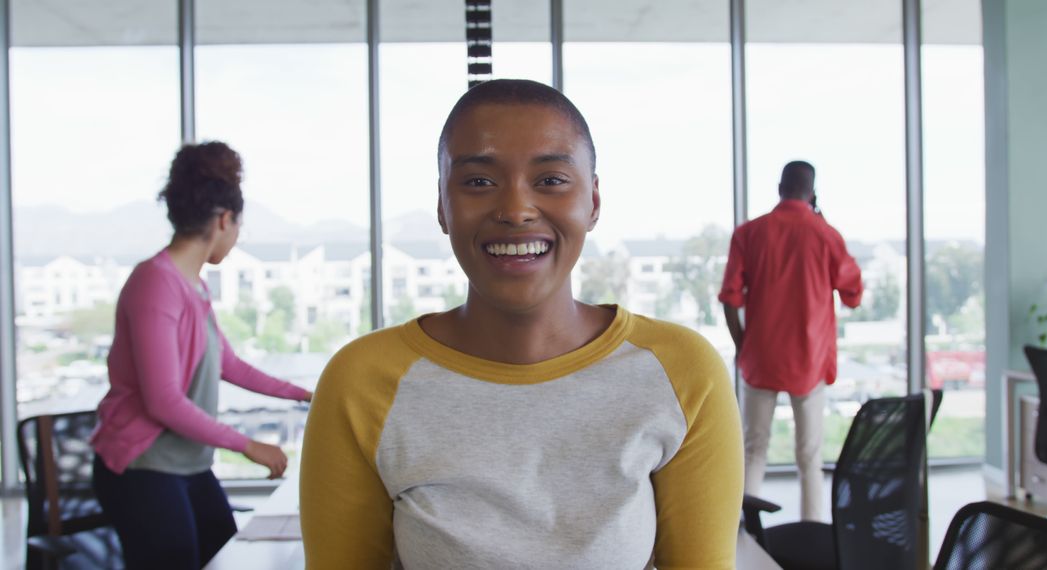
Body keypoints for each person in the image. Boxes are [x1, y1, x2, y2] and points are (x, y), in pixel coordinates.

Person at [300, 79, 742, 569]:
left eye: (551, 180)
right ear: (443, 207)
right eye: (478, 182)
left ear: (592, 202)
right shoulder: (361, 382)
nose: (515, 211)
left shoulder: (681, 373)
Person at [90, 141, 312, 570]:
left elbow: (229, 365)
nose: (236, 235)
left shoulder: (192, 286)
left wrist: (305, 394)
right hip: (143, 466)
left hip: (186, 464)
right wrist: (247, 444)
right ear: (224, 220)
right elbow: (163, 400)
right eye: (238, 226)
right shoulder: (155, 284)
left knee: (225, 554)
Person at [718, 160, 863, 522]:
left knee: (753, 449)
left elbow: (730, 298)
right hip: (809, 360)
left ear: (779, 188)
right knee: (810, 456)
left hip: (760, 357)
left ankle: (743, 533)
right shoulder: (825, 234)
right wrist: (822, 223)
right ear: (812, 194)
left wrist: (742, 344)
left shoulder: (749, 233)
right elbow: (853, 294)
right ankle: (811, 530)